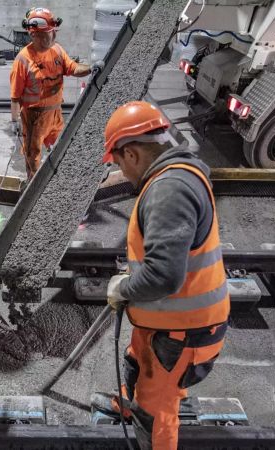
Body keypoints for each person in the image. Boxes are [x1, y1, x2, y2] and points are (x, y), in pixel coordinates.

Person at [102, 101, 230, 450]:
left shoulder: (168, 190)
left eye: (117, 164)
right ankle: (129, 404)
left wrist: (123, 287)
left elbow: (164, 275)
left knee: (156, 413)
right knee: (136, 361)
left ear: (131, 153)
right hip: (167, 320)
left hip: (183, 329)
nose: (121, 173)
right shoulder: (175, 176)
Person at [10, 7, 96, 180]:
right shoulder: (23, 60)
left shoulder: (57, 50)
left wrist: (91, 69)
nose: (54, 36)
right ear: (34, 34)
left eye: (53, 32)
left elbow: (73, 68)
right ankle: (32, 187)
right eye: (49, 33)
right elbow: (15, 97)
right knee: (32, 156)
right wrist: (15, 121)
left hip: (55, 113)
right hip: (34, 119)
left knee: (60, 148)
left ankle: (58, 180)